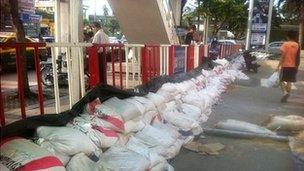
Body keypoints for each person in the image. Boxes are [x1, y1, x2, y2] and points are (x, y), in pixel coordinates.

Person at [277, 30, 300, 103]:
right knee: (289, 82)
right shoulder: (297, 45)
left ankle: (285, 92)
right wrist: (297, 67)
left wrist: (278, 66)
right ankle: (287, 95)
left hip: (285, 66)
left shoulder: (285, 44)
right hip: (293, 67)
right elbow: (298, 57)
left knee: (280, 80)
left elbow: (282, 57)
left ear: (288, 36)